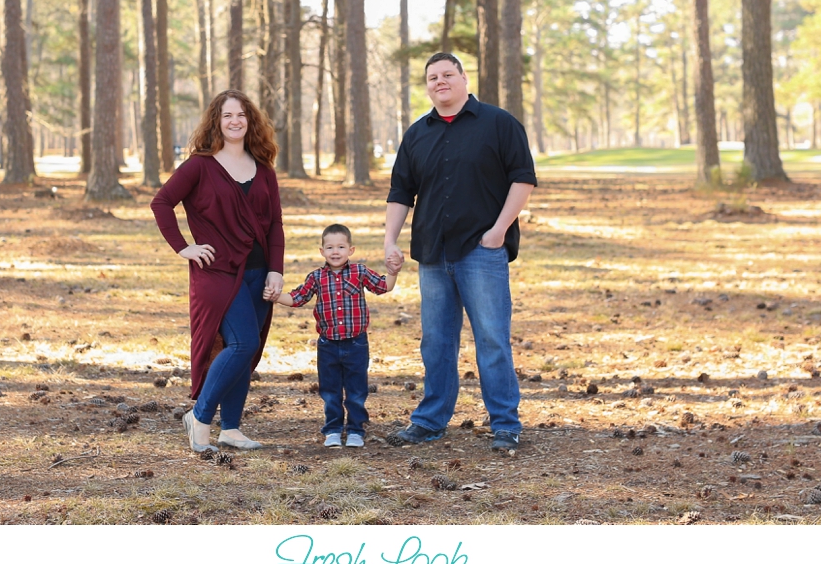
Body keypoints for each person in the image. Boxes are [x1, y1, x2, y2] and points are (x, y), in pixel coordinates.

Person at [384, 52, 537, 451]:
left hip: (482, 251)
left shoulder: (499, 124)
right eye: (433, 77)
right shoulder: (417, 134)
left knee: (491, 338)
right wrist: (390, 241)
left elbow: (523, 179)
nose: (440, 82)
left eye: (447, 74)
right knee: (435, 341)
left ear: (464, 78)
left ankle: (504, 423)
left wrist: (498, 231)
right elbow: (401, 192)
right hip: (433, 254)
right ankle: (431, 420)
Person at [150, 90, 284, 452]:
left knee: (246, 350)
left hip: (257, 273)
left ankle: (232, 428)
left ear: (250, 121)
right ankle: (200, 416)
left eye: (241, 114)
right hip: (218, 271)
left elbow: (275, 226)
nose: (235, 121)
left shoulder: (264, 169)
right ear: (216, 121)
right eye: (227, 115)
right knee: (242, 343)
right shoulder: (200, 165)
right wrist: (183, 247)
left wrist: (276, 270)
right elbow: (161, 202)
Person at [269, 224, 396, 448]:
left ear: (351, 249)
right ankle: (333, 429)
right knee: (330, 390)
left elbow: (383, 286)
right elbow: (298, 298)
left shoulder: (360, 272)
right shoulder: (317, 277)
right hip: (328, 344)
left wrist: (393, 271)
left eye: (340, 247)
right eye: (330, 247)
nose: (335, 252)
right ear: (322, 251)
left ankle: (356, 430)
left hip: (356, 343)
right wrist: (276, 297)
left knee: (356, 390)